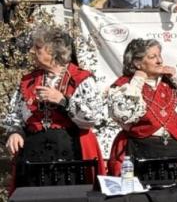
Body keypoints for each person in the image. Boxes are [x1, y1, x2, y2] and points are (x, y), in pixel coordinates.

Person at [2, 27, 106, 188]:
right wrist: (15, 132)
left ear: (53, 51)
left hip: (71, 151)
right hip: (34, 154)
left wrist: (63, 101)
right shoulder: (28, 80)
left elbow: (93, 117)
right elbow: (14, 114)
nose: (31, 51)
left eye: (37, 48)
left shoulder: (80, 78)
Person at [106, 39, 177, 175]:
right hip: (140, 152)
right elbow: (123, 113)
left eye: (159, 55)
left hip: (174, 152)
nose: (159, 61)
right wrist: (138, 80)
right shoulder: (125, 86)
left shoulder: (171, 84)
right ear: (137, 63)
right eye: (152, 57)